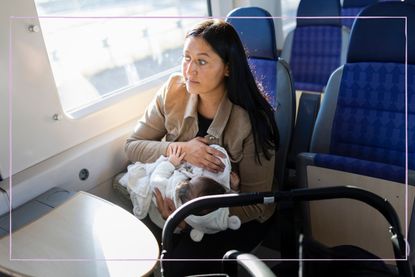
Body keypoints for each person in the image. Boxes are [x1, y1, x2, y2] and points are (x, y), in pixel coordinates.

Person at [125, 18, 279, 276]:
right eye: (186, 58)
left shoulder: (253, 120)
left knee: (177, 266)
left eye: (202, 61)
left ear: (228, 68)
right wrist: (183, 149)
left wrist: (190, 218)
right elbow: (132, 146)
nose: (189, 71)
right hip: (180, 201)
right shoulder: (172, 91)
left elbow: (257, 204)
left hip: (235, 216)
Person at [120, 144, 241, 242]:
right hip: (183, 224)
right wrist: (234, 189)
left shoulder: (172, 191)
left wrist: (170, 163)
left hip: (164, 217)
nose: (192, 177)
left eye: (191, 180)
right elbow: (227, 203)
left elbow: (156, 179)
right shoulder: (214, 214)